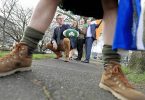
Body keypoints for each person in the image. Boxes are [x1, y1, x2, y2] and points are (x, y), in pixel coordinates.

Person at [0, 0, 145, 100]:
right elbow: (54, 35)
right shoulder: (57, 27)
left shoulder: (67, 26)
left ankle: (111, 69)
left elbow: (72, 35)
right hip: (57, 43)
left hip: (68, 42)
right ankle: (23, 52)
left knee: (111, 3)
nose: (60, 21)